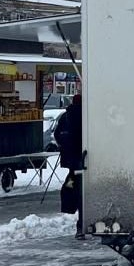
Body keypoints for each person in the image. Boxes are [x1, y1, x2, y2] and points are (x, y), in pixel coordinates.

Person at [52, 93, 85, 238]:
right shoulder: (86, 117)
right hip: (83, 160)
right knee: (83, 192)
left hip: (71, 161)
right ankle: (82, 225)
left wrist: (64, 148)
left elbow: (57, 134)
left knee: (73, 185)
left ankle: (74, 213)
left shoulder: (65, 117)